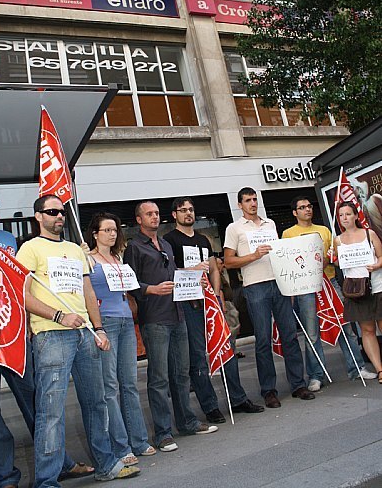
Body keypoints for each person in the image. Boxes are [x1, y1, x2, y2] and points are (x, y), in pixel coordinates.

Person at [0, 187, 92, 488]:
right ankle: (6, 476)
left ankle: (59, 463)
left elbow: (21, 286)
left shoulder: (8, 240)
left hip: (14, 335)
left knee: (36, 401)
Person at [16, 195, 140, 486]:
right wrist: (58, 316)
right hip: (51, 336)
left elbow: (87, 292)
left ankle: (106, 464)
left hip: (85, 334)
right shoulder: (29, 249)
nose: (59, 216)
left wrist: (98, 328)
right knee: (51, 411)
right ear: (38, 216)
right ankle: (46, 481)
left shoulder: (74, 249)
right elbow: (22, 295)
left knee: (96, 402)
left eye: (61, 212)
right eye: (51, 212)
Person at [124, 201, 218, 453]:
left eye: (156, 213)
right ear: (139, 219)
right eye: (149, 214)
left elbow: (174, 273)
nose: (154, 217)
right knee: (159, 377)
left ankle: (186, 421)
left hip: (178, 313)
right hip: (154, 317)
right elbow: (128, 281)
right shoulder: (134, 247)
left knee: (181, 373)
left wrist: (191, 270)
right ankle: (163, 432)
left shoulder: (165, 244)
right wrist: (149, 289)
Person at [164, 197, 263, 424]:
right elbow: (169, 271)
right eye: (183, 210)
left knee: (226, 349)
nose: (188, 213)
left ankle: (238, 399)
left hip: (210, 301)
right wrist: (189, 270)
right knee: (198, 357)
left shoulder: (203, 240)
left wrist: (217, 295)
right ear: (174, 215)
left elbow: (214, 268)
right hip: (188, 304)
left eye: (191, 209)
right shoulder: (169, 240)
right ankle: (209, 406)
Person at [224, 187, 315, 408]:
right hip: (255, 286)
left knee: (290, 336)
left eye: (255, 199)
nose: (253, 203)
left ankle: (298, 384)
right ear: (240, 205)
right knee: (263, 339)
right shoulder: (234, 228)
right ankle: (269, 390)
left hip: (279, 282)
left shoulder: (270, 224)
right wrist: (254, 255)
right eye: (248, 200)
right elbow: (228, 261)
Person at [83, 212, 156, 465]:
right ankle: (121, 446)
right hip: (106, 322)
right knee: (110, 388)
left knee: (129, 384)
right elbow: (87, 293)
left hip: (126, 321)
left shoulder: (118, 258)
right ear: (95, 233)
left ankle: (139, 440)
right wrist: (97, 327)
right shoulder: (88, 259)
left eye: (115, 230)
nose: (112, 234)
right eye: (107, 230)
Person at [282, 196, 376, 392]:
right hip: (305, 287)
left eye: (309, 206)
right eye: (302, 207)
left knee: (345, 326)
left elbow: (333, 257)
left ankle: (356, 368)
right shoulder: (288, 234)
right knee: (312, 332)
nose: (307, 209)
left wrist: (329, 259)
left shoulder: (325, 231)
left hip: (330, 282)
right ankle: (317, 375)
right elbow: (288, 261)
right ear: (294, 213)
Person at [333, 201, 382, 382]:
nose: (345, 218)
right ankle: (379, 370)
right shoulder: (337, 240)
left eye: (348, 214)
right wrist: (334, 258)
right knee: (367, 330)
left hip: (377, 286)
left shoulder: (369, 234)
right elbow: (339, 263)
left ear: (355, 215)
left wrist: (377, 264)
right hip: (357, 291)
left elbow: (381, 255)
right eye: (341, 215)